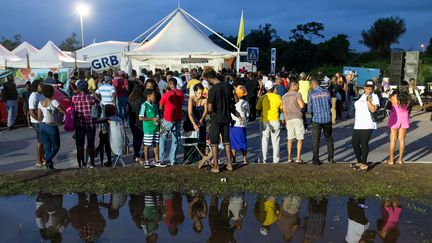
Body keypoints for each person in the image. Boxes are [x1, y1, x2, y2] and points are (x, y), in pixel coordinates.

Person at [205, 70, 235, 173]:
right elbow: (234, 100)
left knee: (214, 142)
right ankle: (230, 164)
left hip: (216, 118)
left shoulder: (212, 90)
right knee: (227, 141)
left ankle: (216, 166)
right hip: (226, 117)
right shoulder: (228, 86)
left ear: (209, 79)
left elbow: (209, 108)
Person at [352, 80, 379, 171]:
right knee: (354, 143)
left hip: (367, 124)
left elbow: (373, 110)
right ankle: (359, 161)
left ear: (373, 88)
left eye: (370, 88)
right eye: (366, 87)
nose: (368, 89)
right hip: (358, 124)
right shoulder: (362, 96)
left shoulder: (374, 97)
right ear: (364, 88)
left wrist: (368, 101)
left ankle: (364, 163)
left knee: (364, 144)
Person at [37, 84, 66, 169]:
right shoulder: (54, 101)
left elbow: (39, 118)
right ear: (52, 92)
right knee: (56, 146)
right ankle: (47, 160)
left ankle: (50, 166)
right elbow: (63, 111)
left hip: (42, 126)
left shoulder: (40, 103)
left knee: (48, 146)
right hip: (51, 126)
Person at [71, 81, 98, 168]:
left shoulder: (74, 98)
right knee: (91, 144)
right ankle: (92, 163)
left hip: (79, 124)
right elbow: (95, 114)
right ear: (86, 88)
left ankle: (81, 163)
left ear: (78, 88)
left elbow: (72, 110)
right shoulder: (91, 99)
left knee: (80, 145)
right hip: (90, 124)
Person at [308, 78, 334, 165]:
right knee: (329, 138)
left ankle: (315, 159)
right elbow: (330, 104)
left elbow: (309, 110)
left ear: (312, 85)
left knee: (316, 140)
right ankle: (330, 158)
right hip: (327, 119)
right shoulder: (326, 92)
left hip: (316, 120)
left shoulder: (311, 94)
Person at [159, 78, 184, 166]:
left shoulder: (166, 94)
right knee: (175, 139)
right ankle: (173, 159)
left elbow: (160, 106)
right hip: (178, 119)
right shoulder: (181, 94)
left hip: (166, 119)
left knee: (162, 138)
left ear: (169, 84)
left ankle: (161, 159)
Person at [256, 80, 282, 164]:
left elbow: (258, 109)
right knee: (275, 141)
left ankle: (263, 159)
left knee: (264, 141)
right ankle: (276, 160)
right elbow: (281, 109)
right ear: (273, 88)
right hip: (275, 120)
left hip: (264, 120)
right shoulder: (278, 97)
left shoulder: (262, 97)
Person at [282, 80, 306, 163]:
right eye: (297, 86)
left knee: (290, 139)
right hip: (297, 117)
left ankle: (289, 157)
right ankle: (298, 158)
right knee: (299, 138)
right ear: (293, 86)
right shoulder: (297, 94)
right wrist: (303, 102)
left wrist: (285, 121)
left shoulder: (284, 96)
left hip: (288, 118)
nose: (298, 87)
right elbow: (301, 105)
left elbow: (284, 111)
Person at [183, 83, 208, 163]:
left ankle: (200, 157)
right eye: (198, 93)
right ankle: (189, 158)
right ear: (195, 92)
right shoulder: (191, 99)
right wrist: (194, 124)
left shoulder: (204, 99)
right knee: (191, 140)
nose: (200, 95)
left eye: (201, 93)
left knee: (201, 139)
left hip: (201, 120)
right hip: (191, 120)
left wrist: (202, 119)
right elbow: (190, 113)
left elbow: (205, 111)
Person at [140, 89, 163, 168]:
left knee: (156, 143)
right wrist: (151, 119)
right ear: (148, 96)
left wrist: (159, 123)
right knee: (147, 145)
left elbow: (157, 116)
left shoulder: (155, 105)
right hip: (148, 129)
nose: (155, 97)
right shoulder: (144, 105)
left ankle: (157, 160)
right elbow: (141, 118)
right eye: (154, 95)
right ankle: (146, 161)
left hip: (156, 128)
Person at [387, 89, 410, 165]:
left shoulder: (394, 98)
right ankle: (400, 159)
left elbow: (388, 99)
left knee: (393, 139)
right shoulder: (407, 99)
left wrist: (390, 93)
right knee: (402, 139)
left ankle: (391, 160)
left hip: (395, 117)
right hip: (404, 117)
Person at [230, 85, 250, 165]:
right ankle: (245, 159)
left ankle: (233, 158)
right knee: (243, 143)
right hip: (242, 125)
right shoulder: (245, 103)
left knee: (233, 143)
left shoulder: (232, 102)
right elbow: (248, 114)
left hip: (233, 125)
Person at [28, 80, 46, 167]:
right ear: (36, 86)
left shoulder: (42, 94)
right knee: (41, 140)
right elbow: (31, 111)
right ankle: (38, 160)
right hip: (36, 122)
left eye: (42, 84)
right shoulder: (33, 96)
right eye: (40, 85)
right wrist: (39, 121)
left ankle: (42, 158)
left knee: (44, 140)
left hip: (43, 120)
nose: (42, 86)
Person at [127, 85, 146, 163]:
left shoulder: (130, 99)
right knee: (143, 138)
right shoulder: (142, 100)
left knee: (136, 138)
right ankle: (144, 154)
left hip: (132, 121)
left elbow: (128, 111)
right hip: (141, 121)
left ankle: (136, 154)